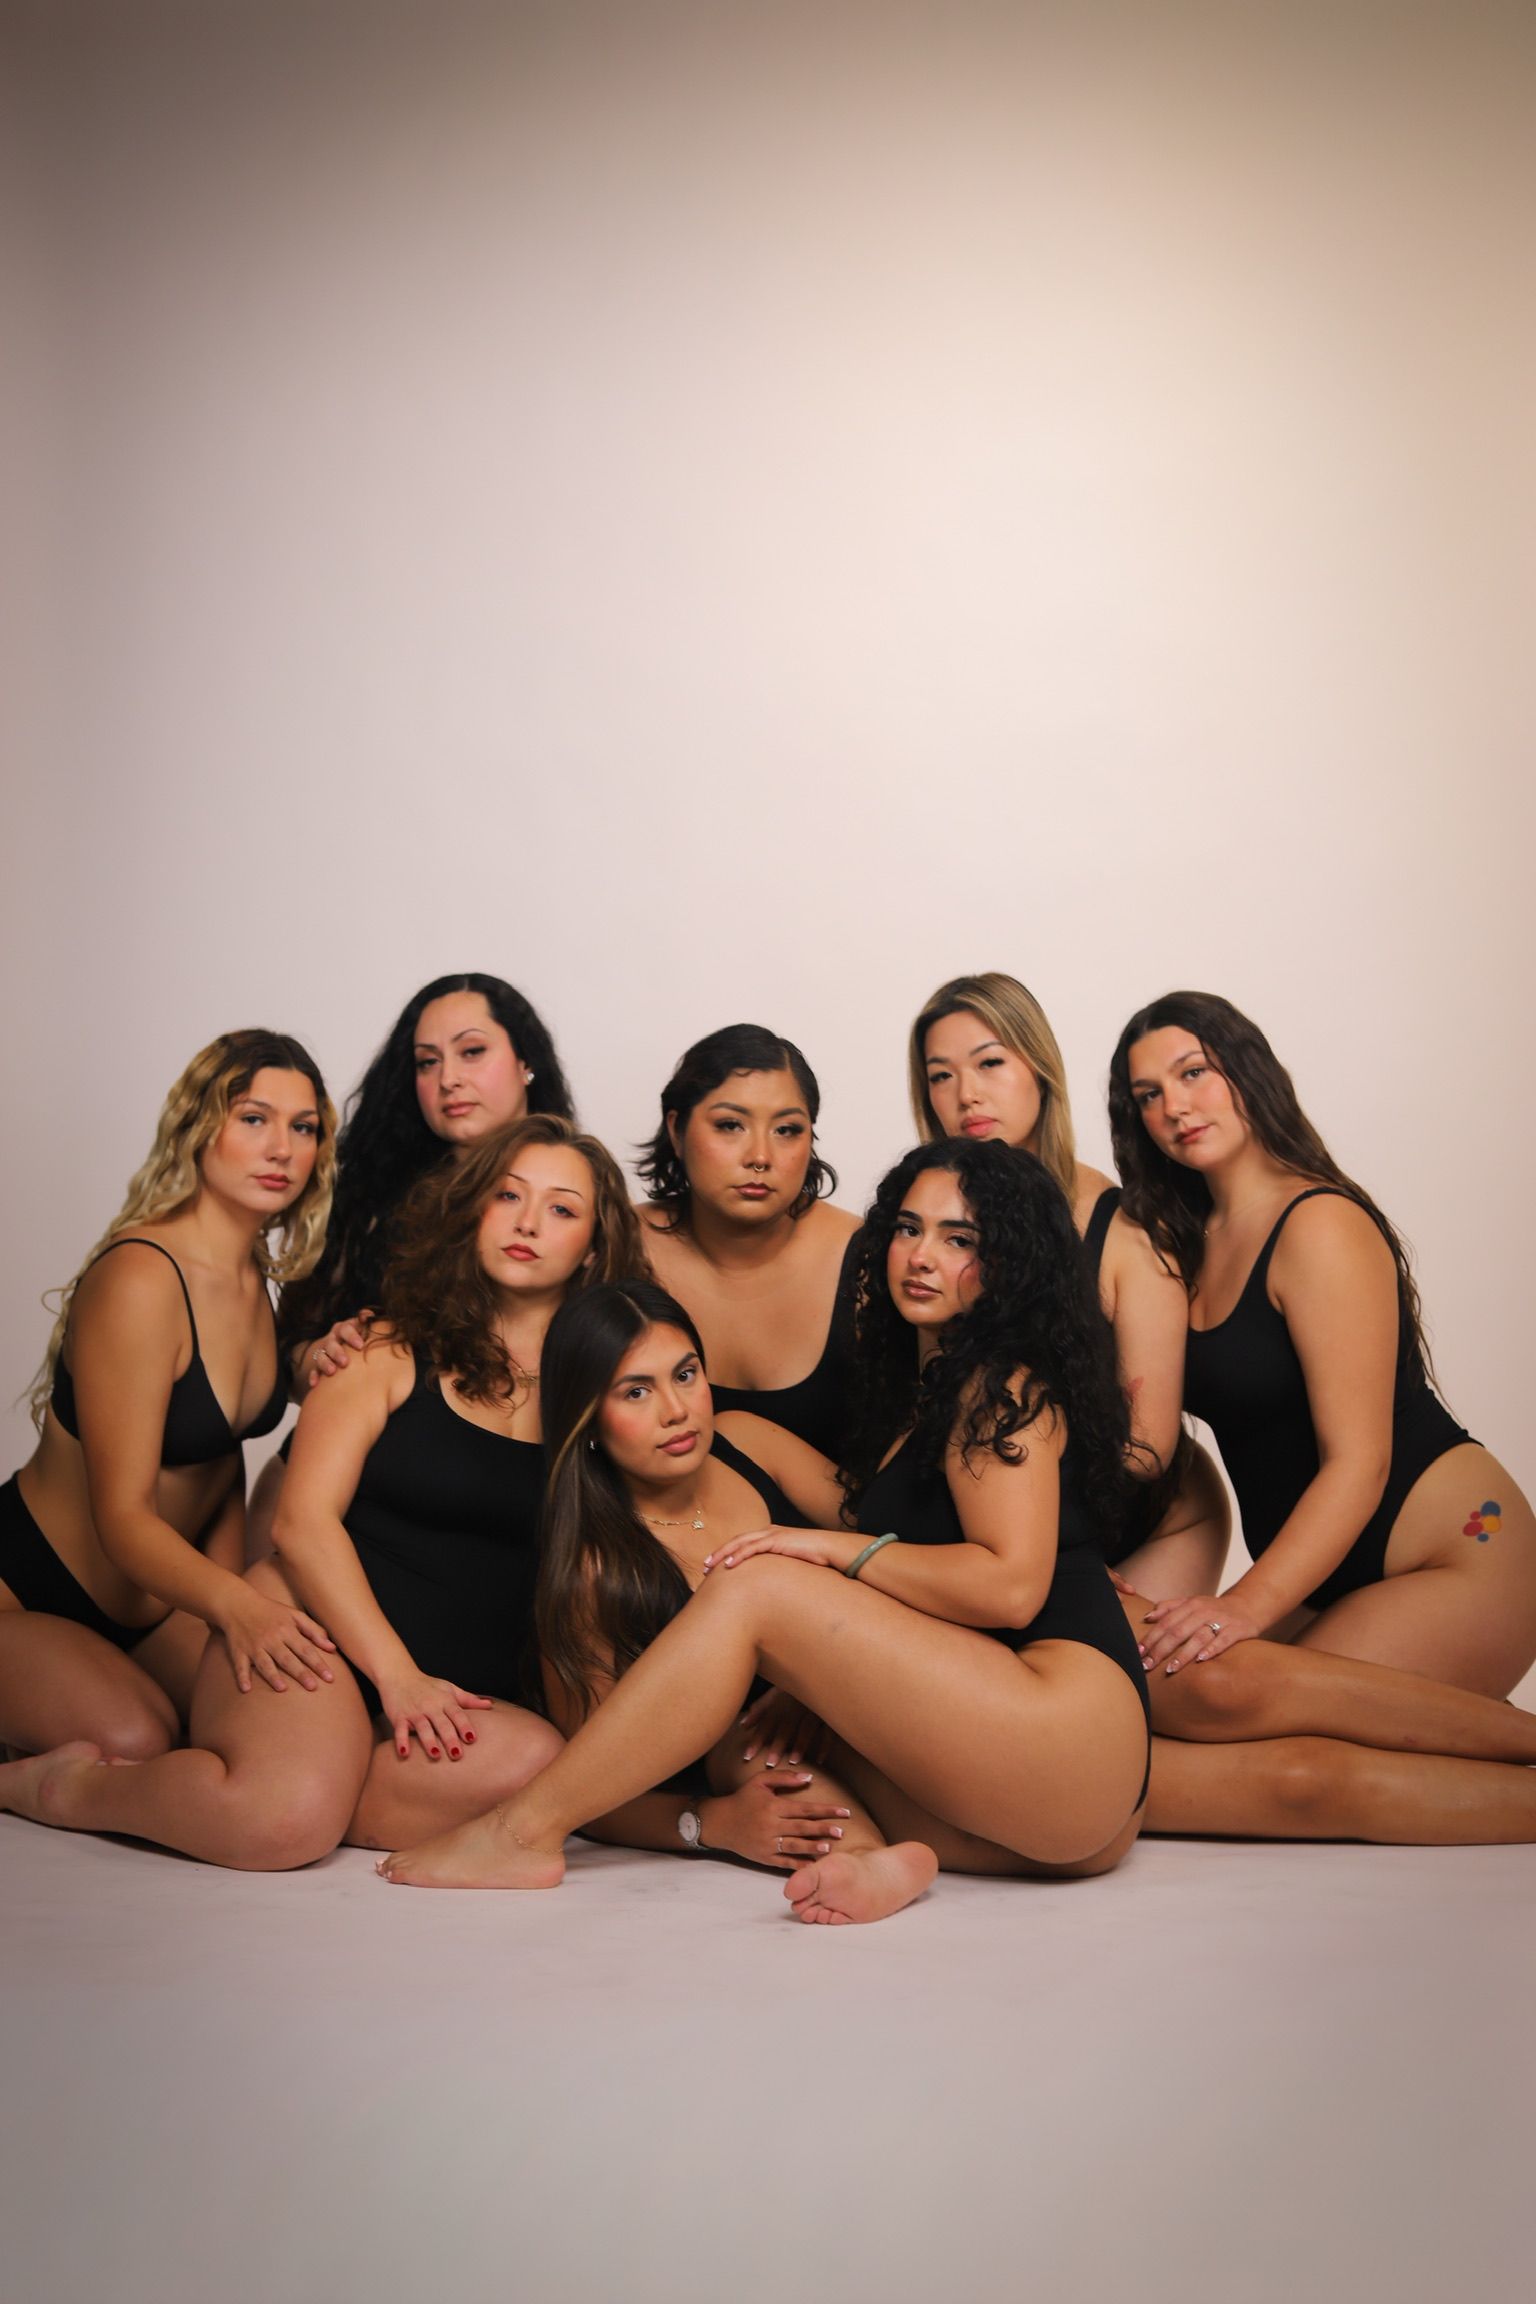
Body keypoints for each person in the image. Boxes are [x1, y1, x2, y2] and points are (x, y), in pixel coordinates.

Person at [377, 1140, 1155, 1918]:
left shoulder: (999, 1385)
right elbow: (894, 1573)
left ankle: (521, 1831)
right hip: (1049, 1809)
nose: (920, 1257)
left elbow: (1012, 1589)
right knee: (757, 1743)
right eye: (908, 1229)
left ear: (1012, 1262)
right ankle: (874, 1863)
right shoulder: (925, 1396)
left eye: (960, 1240)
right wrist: (811, 1673)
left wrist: (823, 1553)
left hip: (1068, 1733)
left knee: (755, 1587)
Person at [0, 1115, 646, 1868]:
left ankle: (308, 1777)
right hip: (314, 1633)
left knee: (539, 1764)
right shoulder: (386, 1349)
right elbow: (303, 1525)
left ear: (594, 1248)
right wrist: (397, 1677)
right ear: (477, 1209)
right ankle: (64, 1789)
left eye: (562, 1209)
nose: (528, 1223)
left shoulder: (599, 1395)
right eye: (508, 1196)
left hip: (444, 1686)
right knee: (281, 1828)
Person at [1109, 991, 1536, 1699]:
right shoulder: (1180, 1246)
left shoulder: (1318, 1224)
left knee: (1245, 1714)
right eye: (1148, 1094)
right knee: (1167, 1703)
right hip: (1321, 1574)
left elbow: (1360, 1462)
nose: (1174, 1107)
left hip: (1459, 1555)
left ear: (1249, 1071)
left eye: (1194, 1073)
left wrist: (1243, 1605)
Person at [0, 1030, 336, 1763]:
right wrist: (240, 1608)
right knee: (139, 1738)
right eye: (253, 1118)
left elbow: (216, 1463)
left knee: (280, 1724)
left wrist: (225, 1612)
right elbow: (120, 1517)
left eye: (302, 1126)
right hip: (23, 1591)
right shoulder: (142, 1278)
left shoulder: (255, 1278)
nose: (281, 1147)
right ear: (199, 1126)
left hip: (154, 1607)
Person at [910, 972, 1228, 1596]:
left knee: (1136, 1688)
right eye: (941, 1075)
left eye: (990, 1062)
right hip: (1009, 1526)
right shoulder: (923, 1228)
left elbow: (1146, 1451)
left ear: (1040, 1069)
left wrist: (1056, 1545)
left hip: (1153, 1521)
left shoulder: (1127, 1232)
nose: (966, 1095)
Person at [638, 1024, 860, 1460]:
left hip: (845, 1526)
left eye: (786, 1130)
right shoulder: (617, 1244)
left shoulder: (868, 1255)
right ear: (677, 1130)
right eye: (730, 1125)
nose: (760, 1156)